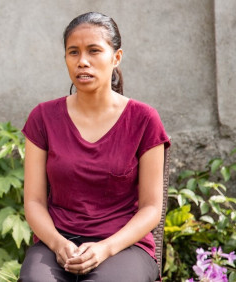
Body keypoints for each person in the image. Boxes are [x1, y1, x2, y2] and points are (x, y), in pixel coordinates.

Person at [19, 11, 170, 282]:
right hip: (57, 242)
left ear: (116, 57)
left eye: (94, 51)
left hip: (123, 247)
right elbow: (34, 201)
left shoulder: (144, 120)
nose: (83, 61)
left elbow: (151, 208)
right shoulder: (42, 118)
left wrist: (104, 248)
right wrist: (57, 244)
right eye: (73, 52)